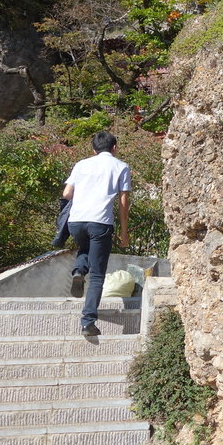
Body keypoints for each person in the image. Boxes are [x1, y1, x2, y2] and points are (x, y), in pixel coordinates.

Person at [62, 131, 131, 337]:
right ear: (115, 148)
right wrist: (124, 232)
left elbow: (66, 193)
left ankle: (78, 271)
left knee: (84, 248)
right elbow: (123, 202)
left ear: (93, 150)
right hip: (100, 222)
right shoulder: (121, 166)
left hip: (76, 221)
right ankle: (88, 321)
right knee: (98, 275)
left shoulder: (81, 164)